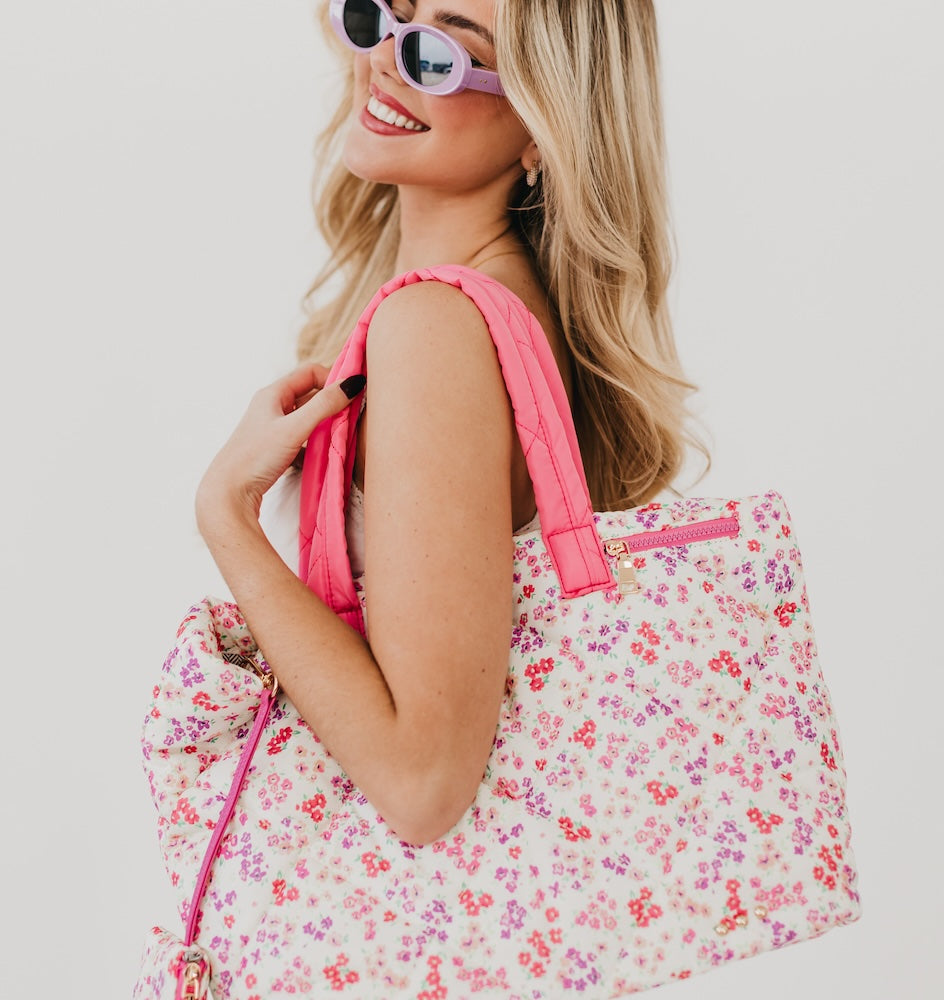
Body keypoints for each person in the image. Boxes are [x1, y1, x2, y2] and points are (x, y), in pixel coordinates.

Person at [191, 0, 699, 988]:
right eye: (382, 15)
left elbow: (422, 781)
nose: (386, 59)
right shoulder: (488, 306)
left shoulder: (434, 327)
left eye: (440, 52)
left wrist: (226, 518)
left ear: (544, 127)